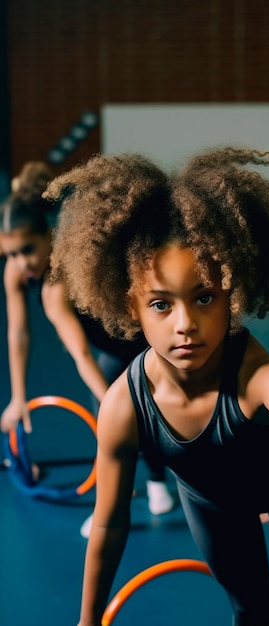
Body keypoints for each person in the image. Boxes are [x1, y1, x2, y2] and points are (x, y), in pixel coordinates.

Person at [44, 148, 269, 626]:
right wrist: (87, 619)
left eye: (204, 297)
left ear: (232, 295)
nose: (186, 324)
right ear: (131, 306)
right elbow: (109, 521)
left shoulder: (254, 374)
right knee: (250, 611)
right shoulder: (124, 405)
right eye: (161, 304)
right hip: (213, 507)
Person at [0, 189, 174, 527]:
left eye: (28, 250)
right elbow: (18, 333)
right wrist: (18, 397)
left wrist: (114, 401)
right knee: (107, 423)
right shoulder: (16, 273)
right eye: (11, 254)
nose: (22, 263)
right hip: (110, 349)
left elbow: (80, 354)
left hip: (140, 341)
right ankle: (129, 492)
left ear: (46, 237)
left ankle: (156, 486)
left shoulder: (57, 285)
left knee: (148, 414)